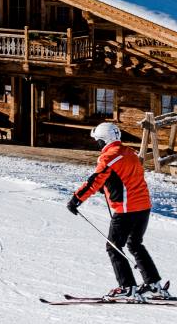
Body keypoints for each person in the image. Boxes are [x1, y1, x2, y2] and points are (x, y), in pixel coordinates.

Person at [67, 121, 169, 300]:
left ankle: (127, 287)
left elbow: (95, 180)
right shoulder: (129, 152)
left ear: (103, 141)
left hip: (126, 210)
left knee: (113, 247)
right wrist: (108, 187)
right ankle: (154, 285)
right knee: (135, 244)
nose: (97, 144)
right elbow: (125, 178)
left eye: (97, 141)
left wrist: (76, 199)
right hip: (143, 207)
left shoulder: (108, 157)